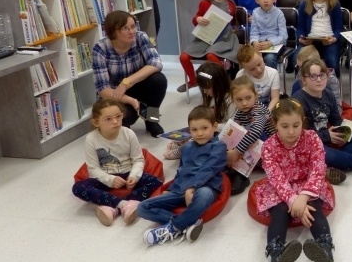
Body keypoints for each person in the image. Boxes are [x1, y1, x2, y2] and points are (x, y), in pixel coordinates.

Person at [254, 99, 336, 262]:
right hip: (282, 189)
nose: (291, 131)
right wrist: (293, 200)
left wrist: (304, 197)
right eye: (284, 126)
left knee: (314, 208)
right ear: (275, 124)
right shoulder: (268, 146)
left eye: (296, 125)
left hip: (308, 185)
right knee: (280, 210)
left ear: (303, 122)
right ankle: (276, 254)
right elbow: (276, 178)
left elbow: (318, 168)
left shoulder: (313, 138)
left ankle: (325, 249)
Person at [138, 106, 226, 245]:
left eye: (204, 128)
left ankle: (173, 227)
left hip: (204, 187)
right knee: (142, 208)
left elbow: (208, 169)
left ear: (214, 126)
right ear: (189, 130)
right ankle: (188, 223)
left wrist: (192, 188)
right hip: (180, 189)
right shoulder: (187, 147)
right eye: (194, 130)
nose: (200, 133)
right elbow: (182, 170)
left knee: (204, 196)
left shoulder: (219, 147)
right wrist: (172, 189)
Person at [72, 99, 163, 226]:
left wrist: (134, 176)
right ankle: (122, 205)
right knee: (78, 188)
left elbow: (138, 159)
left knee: (156, 181)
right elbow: (93, 169)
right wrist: (110, 179)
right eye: (108, 119)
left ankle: (114, 205)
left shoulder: (128, 133)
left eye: (118, 116)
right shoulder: (91, 139)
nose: (115, 122)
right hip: (105, 178)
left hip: (128, 174)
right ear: (96, 122)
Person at [292, 59, 352, 180]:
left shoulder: (328, 94)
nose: (319, 80)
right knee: (325, 154)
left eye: (322, 75)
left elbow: (336, 119)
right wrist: (326, 136)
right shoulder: (298, 100)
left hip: (327, 139)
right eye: (313, 76)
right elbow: (299, 135)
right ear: (304, 79)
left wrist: (344, 133)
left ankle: (329, 168)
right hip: (309, 145)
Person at [92, 10, 166, 137]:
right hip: (115, 94)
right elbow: (103, 89)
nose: (132, 31)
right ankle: (133, 117)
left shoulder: (140, 37)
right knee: (126, 119)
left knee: (159, 80)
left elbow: (156, 63)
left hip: (137, 85)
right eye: (125, 28)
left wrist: (126, 82)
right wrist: (130, 100)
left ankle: (151, 120)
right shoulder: (100, 48)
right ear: (113, 32)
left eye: (133, 26)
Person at [178, 0, 240, 93]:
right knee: (183, 57)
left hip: (224, 37)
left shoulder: (231, 4)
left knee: (211, 55)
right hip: (206, 36)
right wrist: (198, 19)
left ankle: (224, 81)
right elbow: (196, 17)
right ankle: (193, 80)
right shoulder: (205, 3)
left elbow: (232, 23)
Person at [164, 62, 237, 161]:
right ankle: (185, 141)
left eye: (207, 89)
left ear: (218, 84)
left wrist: (211, 127)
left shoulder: (230, 100)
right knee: (197, 129)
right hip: (214, 128)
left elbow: (232, 128)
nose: (205, 92)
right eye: (203, 89)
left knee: (203, 137)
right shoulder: (212, 96)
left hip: (224, 133)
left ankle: (184, 148)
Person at [226, 76, 277, 194]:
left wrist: (237, 151)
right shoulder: (239, 113)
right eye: (239, 100)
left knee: (249, 133)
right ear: (233, 100)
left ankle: (241, 174)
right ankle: (235, 166)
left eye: (248, 98)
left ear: (256, 95)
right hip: (257, 150)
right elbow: (237, 133)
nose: (244, 103)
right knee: (232, 136)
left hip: (273, 149)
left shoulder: (258, 109)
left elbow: (255, 132)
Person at [296, 0, 343, 76]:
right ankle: (302, 88)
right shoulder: (305, 3)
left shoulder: (334, 3)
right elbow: (300, 27)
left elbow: (339, 28)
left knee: (331, 61)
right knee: (299, 60)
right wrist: (301, 38)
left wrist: (334, 38)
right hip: (310, 40)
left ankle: (333, 89)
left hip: (329, 40)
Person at [249, 0, 287, 69]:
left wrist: (270, 43)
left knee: (269, 58)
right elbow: (254, 33)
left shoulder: (279, 14)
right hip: (260, 44)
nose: (266, 0)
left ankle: (272, 80)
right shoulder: (255, 13)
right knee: (250, 57)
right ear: (256, 0)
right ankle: (256, 80)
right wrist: (254, 42)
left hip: (276, 44)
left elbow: (283, 36)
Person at [291, 45, 342, 110]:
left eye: (304, 67)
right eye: (299, 67)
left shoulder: (331, 80)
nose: (301, 71)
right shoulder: (301, 74)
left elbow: (337, 106)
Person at [236, 45, 280, 113]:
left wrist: (267, 113)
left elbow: (275, 98)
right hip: (247, 107)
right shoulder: (241, 75)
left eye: (259, 64)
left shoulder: (273, 73)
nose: (258, 70)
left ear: (261, 55)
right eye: (252, 69)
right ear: (244, 69)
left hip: (267, 106)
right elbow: (238, 99)